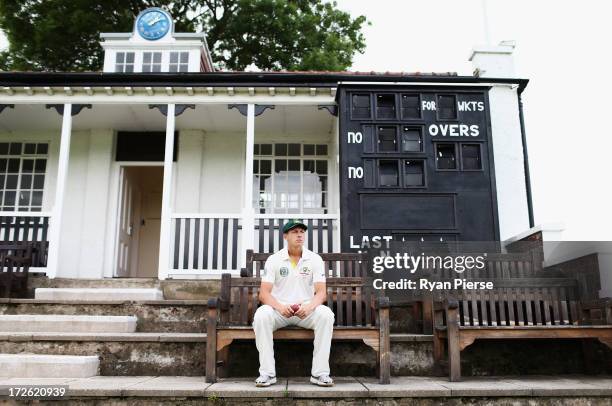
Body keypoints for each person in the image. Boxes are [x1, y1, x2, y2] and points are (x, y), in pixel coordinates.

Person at [253, 219, 335, 387]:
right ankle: (267, 374)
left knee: (326, 315)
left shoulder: (315, 259)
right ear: (285, 236)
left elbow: (321, 293)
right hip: (280, 311)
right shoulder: (274, 260)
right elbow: (263, 294)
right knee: (261, 315)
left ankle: (319, 374)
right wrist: (280, 307)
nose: (299, 235)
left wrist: (309, 306)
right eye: (294, 232)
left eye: (301, 232)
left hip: (305, 311)